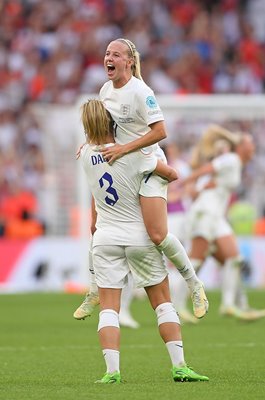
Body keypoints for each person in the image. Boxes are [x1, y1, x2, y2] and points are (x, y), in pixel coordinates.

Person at [74, 38, 208, 322]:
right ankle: (95, 289)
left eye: (116, 54)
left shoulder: (141, 91)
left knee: (156, 234)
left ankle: (194, 284)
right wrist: (89, 143)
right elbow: (103, 125)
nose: (109, 58)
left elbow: (161, 131)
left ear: (129, 62)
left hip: (148, 166)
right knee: (97, 225)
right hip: (121, 165)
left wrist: (124, 149)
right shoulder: (105, 90)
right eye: (107, 53)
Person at [78, 99, 209, 383]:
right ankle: (180, 366)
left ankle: (111, 372)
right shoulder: (134, 154)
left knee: (110, 308)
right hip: (139, 237)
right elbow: (172, 175)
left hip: (105, 238)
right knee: (162, 303)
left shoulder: (86, 154)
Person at [175, 125, 265, 321]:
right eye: (250, 143)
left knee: (234, 259)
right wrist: (185, 182)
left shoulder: (237, 163)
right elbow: (207, 169)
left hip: (216, 217)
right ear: (240, 146)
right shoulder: (231, 158)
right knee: (196, 260)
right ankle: (177, 305)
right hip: (205, 213)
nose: (253, 147)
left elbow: (210, 176)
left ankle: (231, 304)